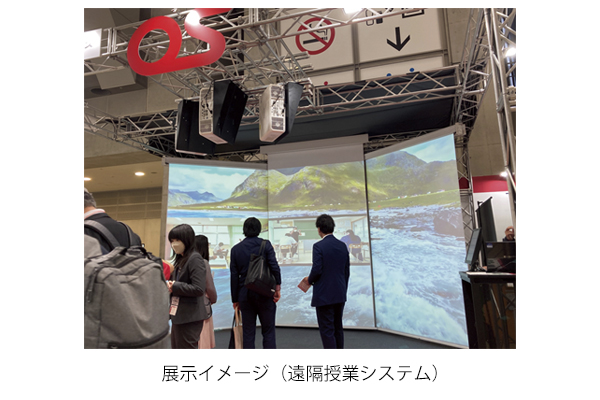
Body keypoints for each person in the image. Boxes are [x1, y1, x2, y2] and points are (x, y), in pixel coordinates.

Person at [229, 217, 282, 349]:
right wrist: (277, 288)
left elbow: (234, 276)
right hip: (265, 292)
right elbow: (274, 267)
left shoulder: (236, 249)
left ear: (244, 230)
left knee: (248, 332)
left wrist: (235, 299)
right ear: (259, 229)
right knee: (268, 331)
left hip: (245, 294)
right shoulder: (266, 245)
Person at [301, 214, 350, 349]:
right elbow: (346, 271)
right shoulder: (342, 246)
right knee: (337, 327)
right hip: (340, 293)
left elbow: (317, 270)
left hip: (324, 295)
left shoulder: (318, 246)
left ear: (319, 229)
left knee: (327, 329)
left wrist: (309, 280)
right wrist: (343, 290)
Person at [167, 224, 209, 349]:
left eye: (177, 240)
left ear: (187, 240)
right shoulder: (182, 259)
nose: (174, 244)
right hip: (180, 315)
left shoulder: (195, 258)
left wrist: (175, 286)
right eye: (172, 241)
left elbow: (198, 288)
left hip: (190, 316)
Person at [195, 235, 218, 349]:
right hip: (203, 307)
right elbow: (210, 287)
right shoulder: (203, 263)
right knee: (203, 340)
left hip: (189, 308)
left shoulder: (185, 261)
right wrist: (213, 299)